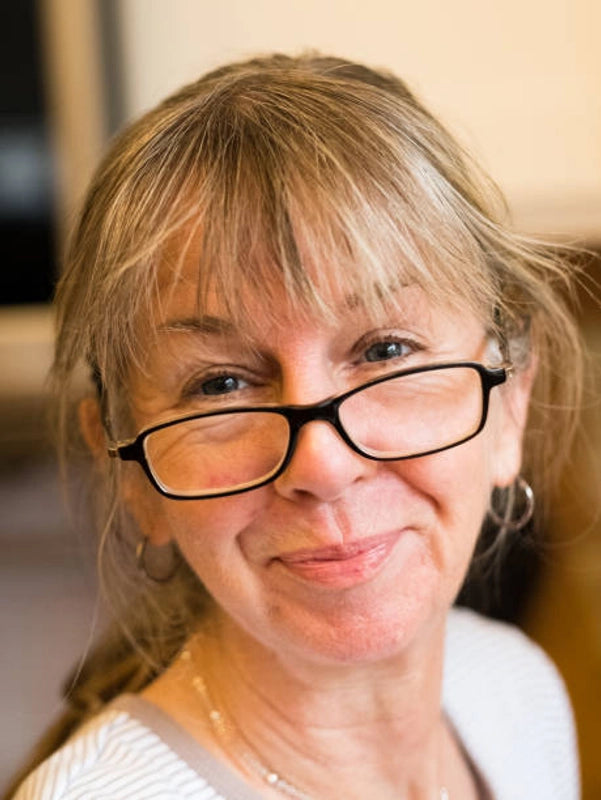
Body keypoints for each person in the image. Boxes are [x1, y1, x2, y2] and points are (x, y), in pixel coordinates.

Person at [11, 53, 582, 799]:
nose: (322, 464)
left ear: (511, 402)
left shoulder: (517, 694)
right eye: (220, 384)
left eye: (385, 350)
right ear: (132, 475)